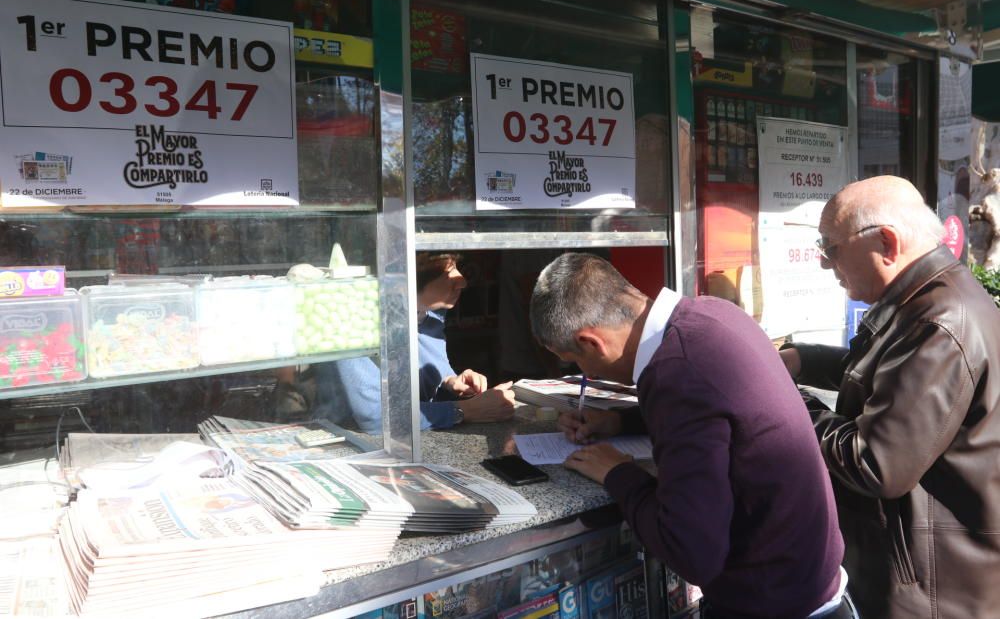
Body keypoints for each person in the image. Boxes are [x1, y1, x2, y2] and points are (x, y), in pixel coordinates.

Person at [530, 253, 850, 619]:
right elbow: (722, 412)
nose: (582, 371)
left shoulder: (675, 375)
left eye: (574, 362)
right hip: (813, 582)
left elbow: (691, 550)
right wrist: (620, 422)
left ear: (591, 342)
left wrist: (617, 473)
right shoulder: (710, 313)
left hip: (772, 601)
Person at [779, 175, 1000, 618]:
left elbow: (875, 462)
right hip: (929, 575)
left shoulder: (940, 321)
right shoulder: (928, 299)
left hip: (931, 592)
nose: (825, 263)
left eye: (831, 247)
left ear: (886, 241)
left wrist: (784, 401)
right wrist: (802, 358)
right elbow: (888, 376)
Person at [314, 252, 515, 434]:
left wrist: (449, 382)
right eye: (448, 272)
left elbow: (426, 372)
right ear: (403, 281)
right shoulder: (354, 323)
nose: (462, 281)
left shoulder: (431, 313)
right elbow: (376, 417)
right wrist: (466, 410)